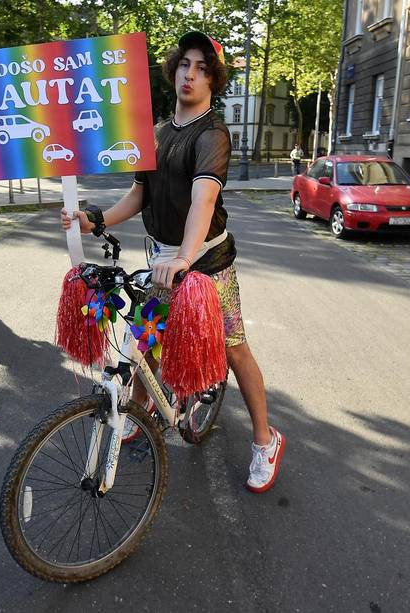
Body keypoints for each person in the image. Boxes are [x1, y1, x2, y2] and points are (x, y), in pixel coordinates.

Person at [61, 31, 284, 493]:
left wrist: (185, 256)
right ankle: (141, 411)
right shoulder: (157, 133)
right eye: (185, 64)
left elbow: (204, 200)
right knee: (146, 336)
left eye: (202, 68)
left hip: (206, 262)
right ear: (174, 69)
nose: (190, 74)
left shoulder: (212, 134)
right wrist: (94, 219)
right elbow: (139, 194)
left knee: (233, 347)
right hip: (165, 260)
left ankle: (266, 439)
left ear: (213, 80)